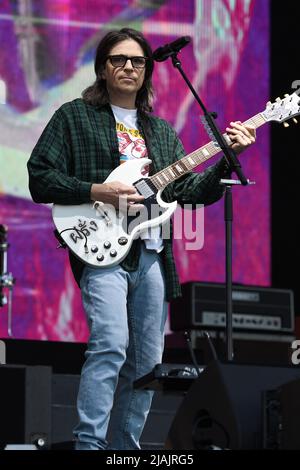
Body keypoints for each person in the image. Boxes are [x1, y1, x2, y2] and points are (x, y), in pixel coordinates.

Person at [27, 28, 256, 450]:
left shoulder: (163, 133)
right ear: (102, 67)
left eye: (137, 61)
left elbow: (188, 193)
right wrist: (98, 190)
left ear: (148, 70)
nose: (128, 67)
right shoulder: (74, 116)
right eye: (119, 59)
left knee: (148, 363)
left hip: (152, 254)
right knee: (110, 345)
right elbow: (40, 177)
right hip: (104, 253)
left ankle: (124, 450)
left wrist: (230, 155)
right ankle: (89, 445)